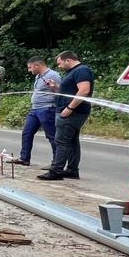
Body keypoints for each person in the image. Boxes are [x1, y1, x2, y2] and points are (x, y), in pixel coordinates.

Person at [37, 51, 95, 180]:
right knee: (72, 141)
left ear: (68, 60)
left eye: (60, 63)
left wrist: (70, 107)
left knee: (61, 141)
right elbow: (70, 91)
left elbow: (84, 90)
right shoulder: (73, 72)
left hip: (72, 112)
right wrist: (56, 86)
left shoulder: (82, 70)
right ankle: (72, 170)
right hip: (70, 110)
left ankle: (56, 171)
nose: (59, 66)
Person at [15, 57, 60, 166]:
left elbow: (61, 92)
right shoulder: (38, 76)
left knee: (52, 135)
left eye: (30, 67)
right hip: (35, 109)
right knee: (27, 132)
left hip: (47, 108)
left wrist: (54, 87)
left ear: (37, 65)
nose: (29, 70)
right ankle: (24, 158)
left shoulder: (53, 75)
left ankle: (57, 163)